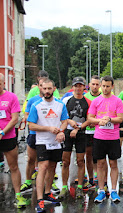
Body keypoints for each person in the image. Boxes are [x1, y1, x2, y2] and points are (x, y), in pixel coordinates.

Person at [28, 79, 68, 212]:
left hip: (56, 142)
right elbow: (31, 125)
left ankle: (47, 193)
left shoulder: (60, 104)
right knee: (43, 167)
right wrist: (48, 128)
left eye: (49, 89)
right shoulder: (36, 105)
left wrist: (61, 131)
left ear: (54, 89)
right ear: (41, 89)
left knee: (52, 166)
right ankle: (39, 199)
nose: (46, 91)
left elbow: (64, 121)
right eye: (44, 89)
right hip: (42, 141)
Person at [88, 76, 123, 203]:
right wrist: (100, 121)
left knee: (113, 164)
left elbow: (120, 119)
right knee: (100, 164)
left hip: (113, 138)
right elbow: (90, 118)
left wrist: (109, 119)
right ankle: (101, 191)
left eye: (107, 86)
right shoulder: (96, 101)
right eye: (103, 86)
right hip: (99, 137)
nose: (105, 88)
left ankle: (114, 190)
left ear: (112, 86)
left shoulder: (118, 101)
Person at [0, 73, 29, 208]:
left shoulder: (11, 97)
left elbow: (15, 118)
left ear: (3, 83)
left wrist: (2, 132)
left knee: (13, 167)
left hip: (8, 136)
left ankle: (18, 196)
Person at [59, 77, 91, 199]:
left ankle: (79, 187)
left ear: (84, 87)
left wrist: (77, 129)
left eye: (80, 86)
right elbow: (61, 115)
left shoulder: (88, 102)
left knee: (80, 161)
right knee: (65, 161)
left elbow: (89, 119)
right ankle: (64, 187)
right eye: (76, 86)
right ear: (73, 87)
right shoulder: (66, 99)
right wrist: (69, 121)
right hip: (67, 132)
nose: (78, 88)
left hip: (81, 133)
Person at [83, 75, 105, 190]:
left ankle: (100, 178)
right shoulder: (85, 97)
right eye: (93, 84)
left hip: (100, 131)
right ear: (89, 85)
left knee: (100, 156)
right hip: (88, 131)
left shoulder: (104, 97)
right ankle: (91, 177)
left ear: (100, 85)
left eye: (97, 84)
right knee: (89, 155)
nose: (95, 86)